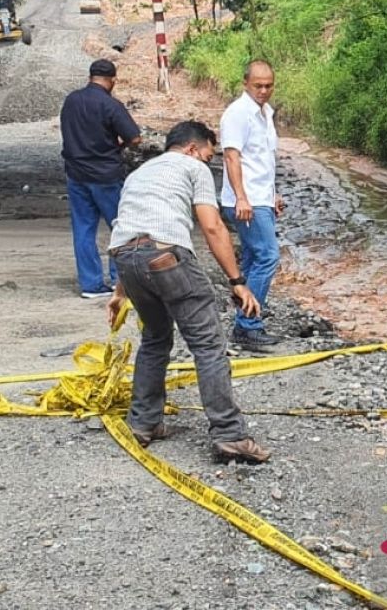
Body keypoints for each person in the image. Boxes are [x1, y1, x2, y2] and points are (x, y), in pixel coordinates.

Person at [106, 120, 271, 464]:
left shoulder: (138, 175)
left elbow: (129, 231)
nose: (209, 161)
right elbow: (212, 226)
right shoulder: (193, 169)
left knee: (154, 338)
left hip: (125, 259)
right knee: (208, 344)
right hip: (168, 256)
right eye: (209, 155)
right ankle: (229, 435)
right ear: (194, 149)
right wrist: (237, 281)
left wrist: (120, 292)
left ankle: (144, 423)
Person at [60, 58, 142, 299]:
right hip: (106, 175)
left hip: (76, 174)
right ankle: (121, 280)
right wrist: (118, 144)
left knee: (83, 229)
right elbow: (135, 138)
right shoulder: (110, 105)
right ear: (112, 80)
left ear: (90, 77)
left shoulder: (71, 101)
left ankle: (91, 284)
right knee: (120, 226)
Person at [219, 59, 284, 350]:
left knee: (251, 258)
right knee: (268, 256)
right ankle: (248, 325)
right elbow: (232, 157)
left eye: (269, 85)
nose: (264, 90)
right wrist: (242, 197)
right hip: (246, 201)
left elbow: (261, 160)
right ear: (245, 83)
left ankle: (243, 320)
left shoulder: (265, 114)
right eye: (258, 85)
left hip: (260, 197)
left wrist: (273, 196)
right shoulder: (237, 114)